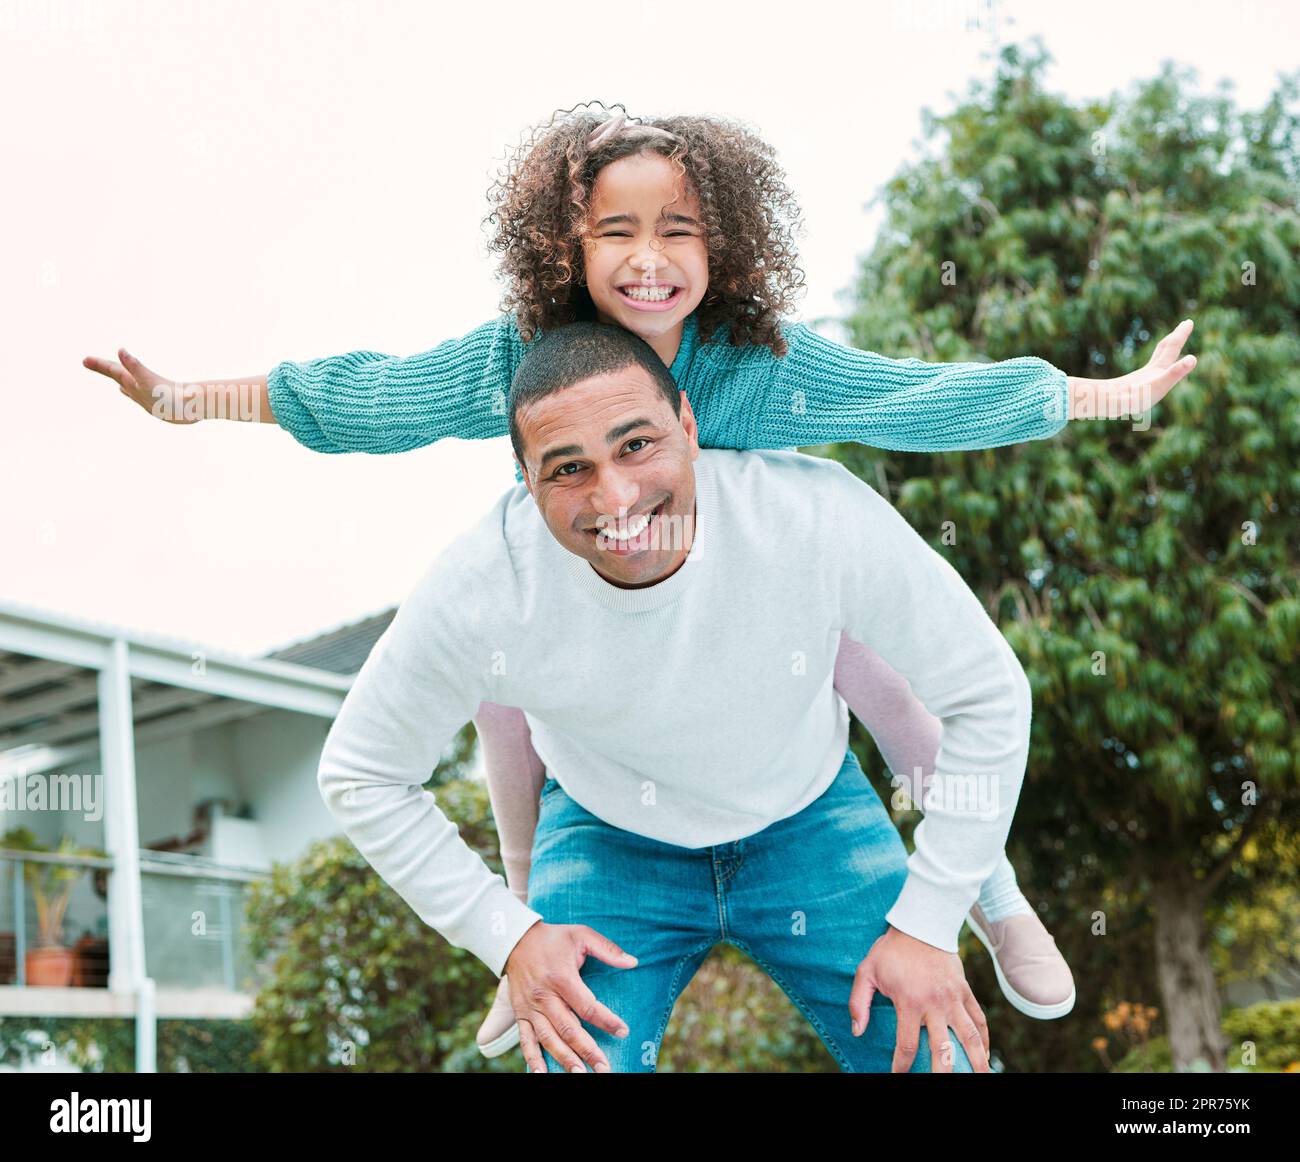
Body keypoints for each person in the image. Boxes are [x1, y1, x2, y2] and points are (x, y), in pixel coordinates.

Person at [86, 103, 1197, 1053]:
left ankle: (994, 900)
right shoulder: (521, 359)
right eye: (613, 231)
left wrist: (1099, 396)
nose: (645, 257)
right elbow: (375, 398)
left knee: (892, 679)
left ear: (726, 249)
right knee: (504, 690)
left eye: (677, 230)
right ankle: (528, 911)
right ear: (564, 248)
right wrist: (200, 399)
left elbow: (915, 397)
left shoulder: (763, 366)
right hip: (601, 639)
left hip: (772, 606)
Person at [317, 320, 1041, 1073]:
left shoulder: (810, 516)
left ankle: (1003, 913)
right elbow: (361, 772)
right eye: (569, 468)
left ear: (690, 425)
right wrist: (507, 933)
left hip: (809, 816)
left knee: (938, 1061)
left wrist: (928, 924)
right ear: (526, 481)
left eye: (636, 445)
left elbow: (988, 690)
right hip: (609, 840)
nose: (616, 496)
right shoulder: (482, 587)